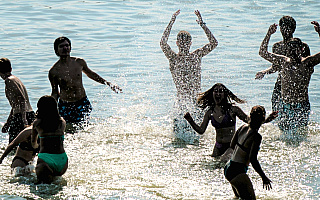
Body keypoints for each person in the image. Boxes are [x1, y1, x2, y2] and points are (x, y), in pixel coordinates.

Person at [160, 10, 218, 143]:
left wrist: (203, 25)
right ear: (177, 44)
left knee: (198, 137)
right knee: (178, 138)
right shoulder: (173, 58)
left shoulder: (196, 56)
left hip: (196, 102)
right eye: (181, 42)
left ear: (190, 43)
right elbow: (163, 43)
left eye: (186, 42)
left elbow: (214, 43)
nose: (184, 45)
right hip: (181, 102)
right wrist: (171, 22)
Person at [184, 83, 277, 161]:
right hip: (217, 146)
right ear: (212, 94)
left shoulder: (233, 110)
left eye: (221, 91)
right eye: (215, 91)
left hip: (231, 146)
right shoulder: (210, 112)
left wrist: (266, 120)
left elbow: (250, 121)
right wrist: (190, 120)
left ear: (225, 94)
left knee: (222, 163)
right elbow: (201, 130)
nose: (218, 93)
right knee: (213, 169)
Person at [259, 23, 320, 131]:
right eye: (290, 48)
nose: (292, 51)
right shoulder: (283, 62)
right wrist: (269, 34)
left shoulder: (307, 63)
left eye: (295, 48)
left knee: (300, 135)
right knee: (284, 136)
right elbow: (262, 52)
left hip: (301, 106)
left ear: (301, 50)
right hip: (285, 105)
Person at [49, 36, 122, 125]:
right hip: (66, 105)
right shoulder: (54, 71)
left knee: (83, 126)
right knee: (68, 129)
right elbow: (55, 92)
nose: (65, 48)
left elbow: (91, 74)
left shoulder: (79, 62)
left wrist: (108, 83)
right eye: (61, 46)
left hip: (82, 101)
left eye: (67, 45)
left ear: (70, 47)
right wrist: (50, 108)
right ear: (56, 51)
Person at [255, 16, 310, 113]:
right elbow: (276, 67)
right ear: (279, 28)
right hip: (280, 84)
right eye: (283, 27)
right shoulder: (277, 46)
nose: (285, 30)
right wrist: (264, 72)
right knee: (276, 115)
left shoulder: (301, 46)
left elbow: (307, 67)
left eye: (288, 27)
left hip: (298, 87)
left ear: (293, 29)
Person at [224, 105, 272, 199]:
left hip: (228, 167)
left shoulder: (243, 127)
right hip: (238, 171)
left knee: (238, 198)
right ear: (262, 120)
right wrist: (263, 177)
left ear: (250, 116)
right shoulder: (256, 137)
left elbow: (232, 145)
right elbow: (253, 159)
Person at [31, 95, 68, 183]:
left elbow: (33, 144)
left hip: (45, 160)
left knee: (42, 190)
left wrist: (38, 147)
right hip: (62, 160)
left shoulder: (37, 123)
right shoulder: (62, 122)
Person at [0, 58, 35, 143]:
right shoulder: (16, 79)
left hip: (21, 117)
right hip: (28, 114)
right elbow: (16, 104)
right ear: (11, 69)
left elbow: (22, 99)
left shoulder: (9, 81)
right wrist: (8, 123)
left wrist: (24, 120)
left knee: (14, 146)